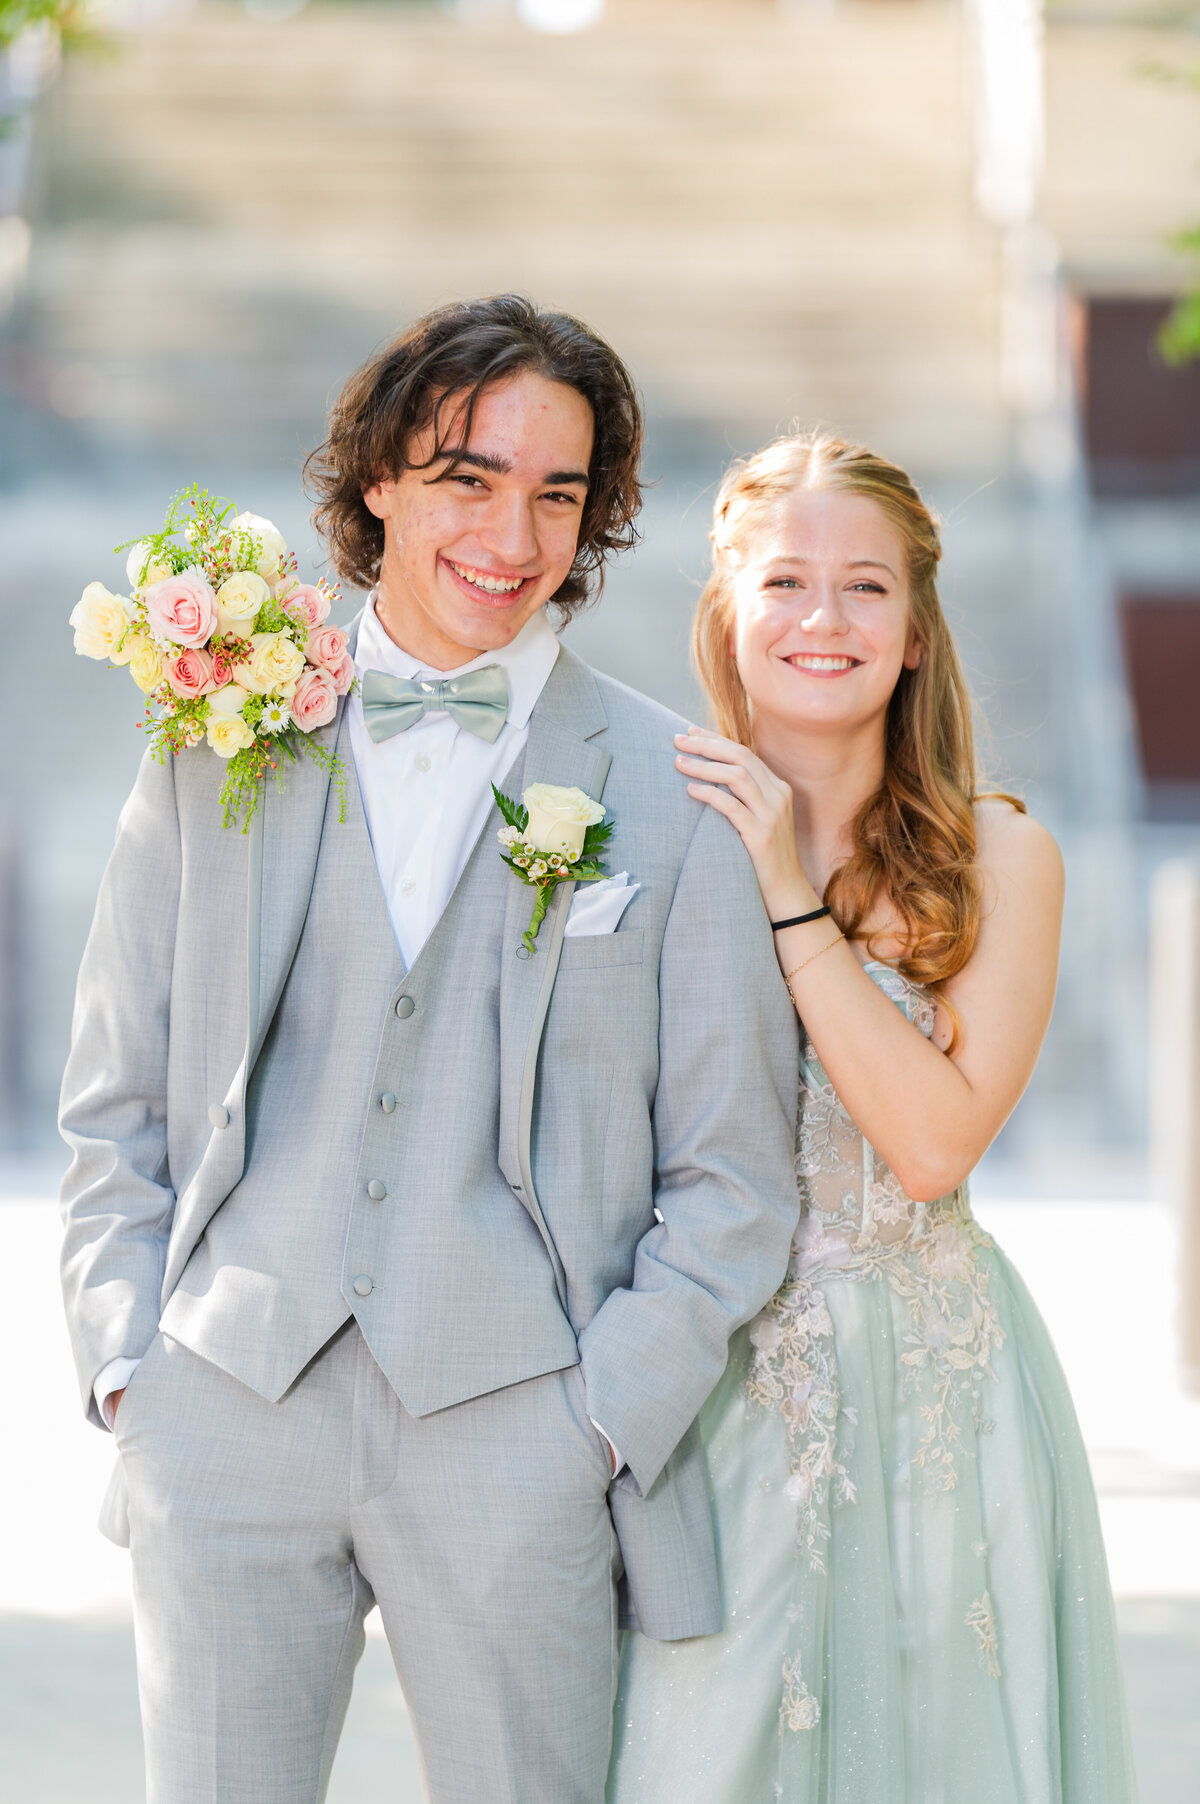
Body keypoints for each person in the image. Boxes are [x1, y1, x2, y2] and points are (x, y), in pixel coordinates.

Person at [58, 295, 801, 1804]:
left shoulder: (678, 797)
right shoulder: (220, 733)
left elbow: (732, 1177)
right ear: (381, 477)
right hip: (226, 1407)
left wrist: (596, 1420)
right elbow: (116, 1092)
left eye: (558, 494)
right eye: (469, 477)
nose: (513, 536)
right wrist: (133, 1367)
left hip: (520, 1434)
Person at [607, 430, 1138, 1804]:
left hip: (937, 1399)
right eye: (785, 582)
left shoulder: (1003, 857)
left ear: (915, 635)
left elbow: (933, 1143)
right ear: (727, 612)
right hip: (701, 1392)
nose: (823, 620)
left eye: (867, 588)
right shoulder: (636, 831)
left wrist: (787, 889)